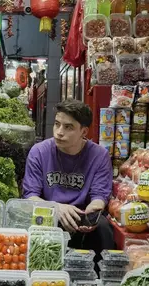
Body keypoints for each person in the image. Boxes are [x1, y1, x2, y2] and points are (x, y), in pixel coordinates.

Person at [22, 99, 115, 262]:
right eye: (57, 124)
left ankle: (100, 278)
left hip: (81, 216)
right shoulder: (39, 152)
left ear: (84, 132)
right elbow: (30, 196)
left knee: (103, 227)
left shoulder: (99, 156)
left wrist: (90, 215)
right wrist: (55, 208)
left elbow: (99, 197)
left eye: (68, 127)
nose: (59, 132)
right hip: (48, 214)